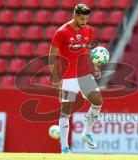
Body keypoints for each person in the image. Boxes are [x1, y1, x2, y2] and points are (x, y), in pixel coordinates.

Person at [48, 4, 102, 154]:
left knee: (97, 102)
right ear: (74, 15)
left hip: (84, 74)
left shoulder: (89, 30)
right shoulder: (62, 32)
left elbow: (87, 50)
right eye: (82, 18)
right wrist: (55, 77)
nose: (84, 22)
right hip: (67, 77)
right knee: (66, 111)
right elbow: (52, 55)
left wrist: (93, 66)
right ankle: (65, 148)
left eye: (87, 19)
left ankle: (87, 133)